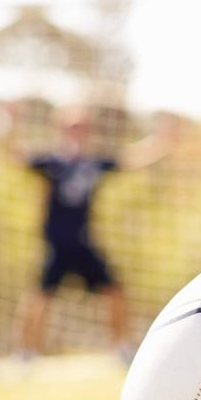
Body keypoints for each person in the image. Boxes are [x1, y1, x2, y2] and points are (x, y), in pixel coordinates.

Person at [16, 106, 179, 360]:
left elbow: (130, 159)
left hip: (84, 243)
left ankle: (121, 346)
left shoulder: (92, 164)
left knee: (113, 290)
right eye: (72, 127)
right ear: (62, 130)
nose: (77, 132)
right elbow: (16, 156)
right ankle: (26, 350)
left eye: (82, 127)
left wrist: (161, 141)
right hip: (57, 244)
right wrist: (7, 124)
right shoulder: (52, 163)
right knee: (40, 296)